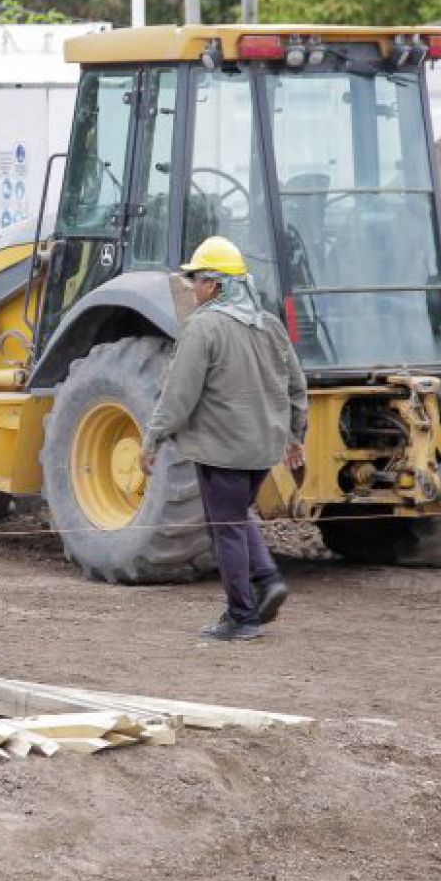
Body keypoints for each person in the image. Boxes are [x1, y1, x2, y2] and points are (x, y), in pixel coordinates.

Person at [141, 235, 307, 642]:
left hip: (222, 450)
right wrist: (295, 436)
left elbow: (178, 395)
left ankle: (242, 617)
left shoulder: (203, 327)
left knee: (226, 527)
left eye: (195, 279)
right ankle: (267, 580)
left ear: (213, 285)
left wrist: (153, 438)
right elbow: (297, 386)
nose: (191, 287)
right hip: (262, 449)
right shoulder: (268, 324)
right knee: (234, 515)